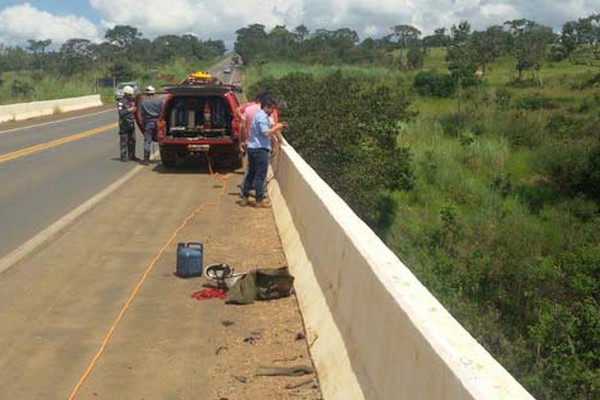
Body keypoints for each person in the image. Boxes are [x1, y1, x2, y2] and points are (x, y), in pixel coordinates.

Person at [239, 97, 287, 208]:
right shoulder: (261, 117)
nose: (272, 111)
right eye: (271, 109)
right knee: (260, 175)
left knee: (251, 173)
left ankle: (245, 197)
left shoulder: (259, 116)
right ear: (266, 107)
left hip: (252, 148)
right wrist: (277, 127)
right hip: (260, 149)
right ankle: (259, 200)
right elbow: (265, 133)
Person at [139, 85, 163, 165]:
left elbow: (141, 114)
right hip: (157, 123)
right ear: (154, 93)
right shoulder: (159, 101)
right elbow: (162, 113)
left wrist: (142, 124)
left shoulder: (143, 101)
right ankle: (163, 158)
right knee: (160, 140)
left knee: (147, 141)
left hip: (148, 123)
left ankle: (146, 160)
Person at [117, 85, 138, 162]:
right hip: (124, 124)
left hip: (131, 123)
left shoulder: (132, 101)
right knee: (124, 140)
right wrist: (129, 110)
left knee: (132, 140)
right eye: (129, 95)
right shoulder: (121, 102)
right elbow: (121, 113)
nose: (130, 96)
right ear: (125, 94)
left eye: (131, 95)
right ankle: (123, 156)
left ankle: (132, 155)